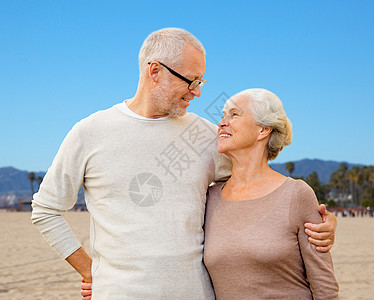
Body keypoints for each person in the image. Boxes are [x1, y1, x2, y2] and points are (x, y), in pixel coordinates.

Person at [31, 28, 337, 300]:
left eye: (201, 81)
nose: (198, 91)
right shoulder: (90, 132)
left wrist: (319, 223)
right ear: (154, 72)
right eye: (191, 81)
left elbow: (259, 184)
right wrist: (90, 271)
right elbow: (46, 210)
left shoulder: (204, 135)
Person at [203, 88, 339, 299]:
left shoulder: (296, 194)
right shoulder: (209, 198)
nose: (221, 122)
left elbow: (324, 286)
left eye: (234, 114)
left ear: (263, 130)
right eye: (222, 115)